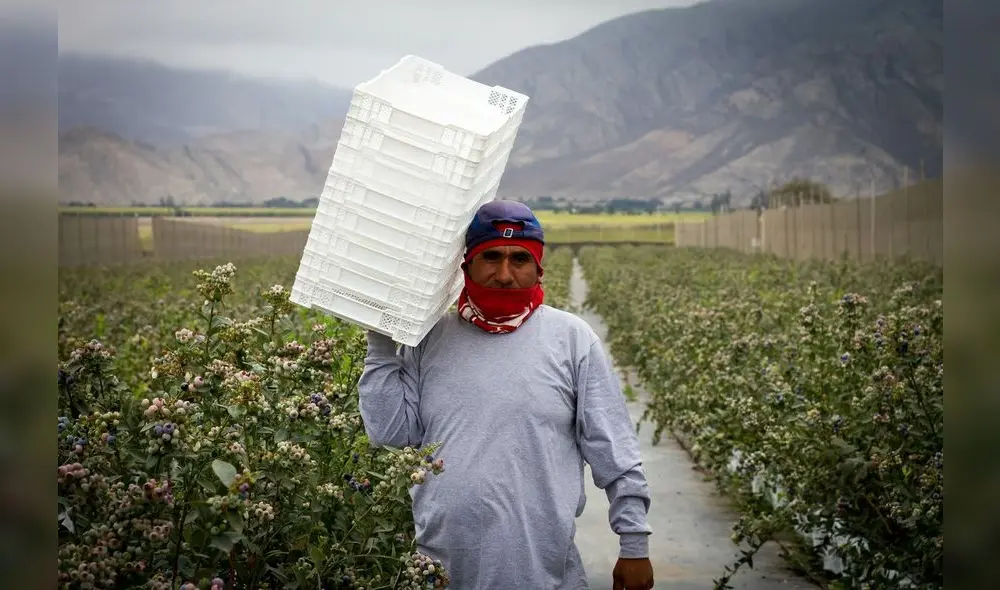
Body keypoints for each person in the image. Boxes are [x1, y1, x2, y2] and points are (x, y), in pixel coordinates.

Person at [358, 200, 655, 590]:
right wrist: (380, 342)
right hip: (441, 569)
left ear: (538, 267)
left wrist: (634, 544)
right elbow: (391, 433)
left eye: (519, 259)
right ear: (467, 266)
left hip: (544, 572)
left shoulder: (571, 340)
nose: (504, 274)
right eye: (491, 257)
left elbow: (614, 449)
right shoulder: (430, 339)